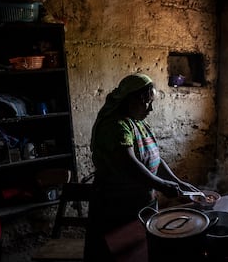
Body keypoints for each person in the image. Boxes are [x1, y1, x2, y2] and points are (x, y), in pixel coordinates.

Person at [83, 73, 199, 262]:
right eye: (147, 102)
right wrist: (162, 185)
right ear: (130, 100)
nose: (151, 108)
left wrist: (176, 182)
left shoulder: (138, 123)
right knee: (119, 253)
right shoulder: (115, 126)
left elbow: (155, 159)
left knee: (141, 252)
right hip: (118, 207)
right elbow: (130, 164)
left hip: (141, 203)